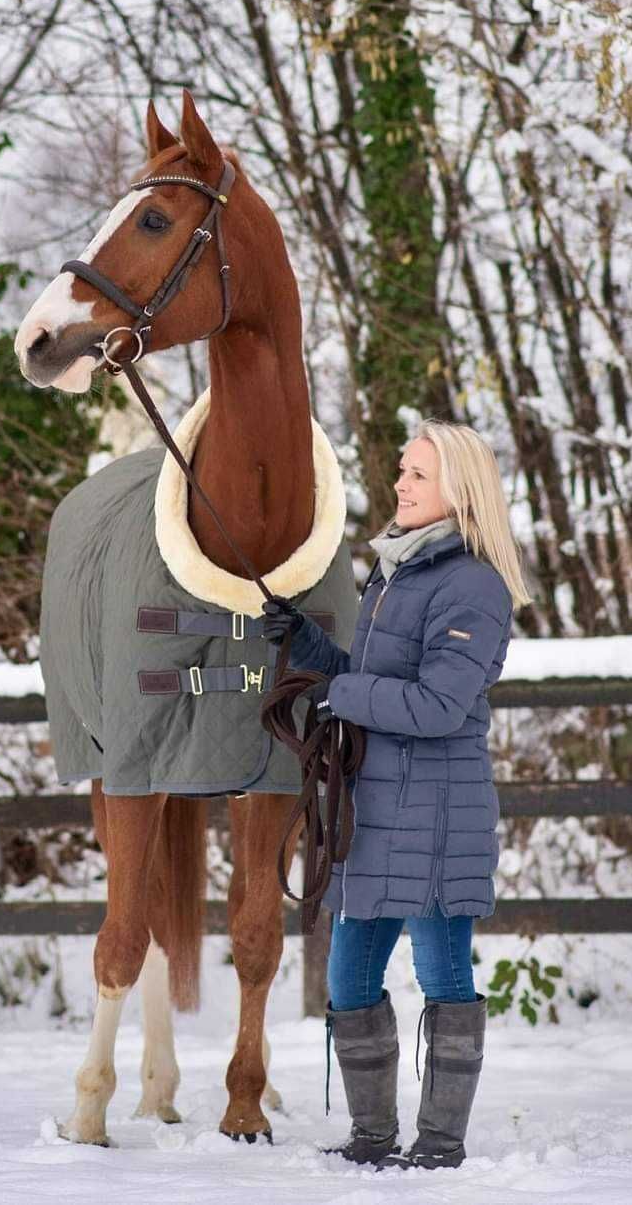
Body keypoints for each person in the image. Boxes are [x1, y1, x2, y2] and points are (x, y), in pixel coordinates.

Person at [262, 420, 532, 1171]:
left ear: (459, 489)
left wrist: (342, 696)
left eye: (418, 474)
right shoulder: (400, 569)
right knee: (348, 978)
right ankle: (372, 1137)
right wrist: (303, 643)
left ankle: (440, 1143)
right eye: (403, 470)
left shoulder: (472, 584)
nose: (401, 484)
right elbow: (371, 675)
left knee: (444, 977)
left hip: (437, 813)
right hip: (376, 808)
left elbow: (438, 706)